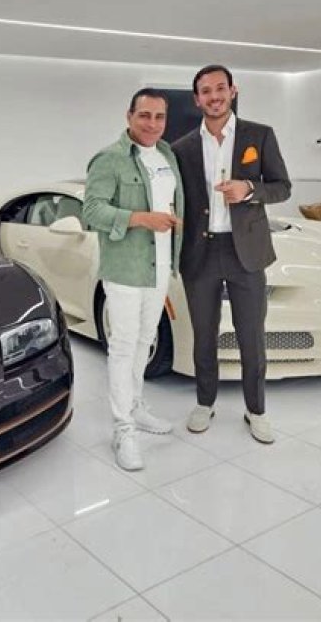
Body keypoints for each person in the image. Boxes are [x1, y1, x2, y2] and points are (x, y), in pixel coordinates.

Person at [172, 65, 291, 444]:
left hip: (247, 253)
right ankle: (204, 402)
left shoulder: (260, 135)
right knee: (204, 334)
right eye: (206, 91)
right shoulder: (181, 148)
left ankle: (256, 410)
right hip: (200, 252)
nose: (214, 97)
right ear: (197, 99)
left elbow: (282, 187)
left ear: (232, 91)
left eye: (220, 88)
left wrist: (249, 189)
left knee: (251, 335)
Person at [82, 88, 184, 471]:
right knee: (123, 346)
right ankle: (123, 428)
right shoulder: (109, 159)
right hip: (125, 268)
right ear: (129, 116)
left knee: (144, 341)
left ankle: (136, 406)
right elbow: (92, 211)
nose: (152, 124)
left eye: (159, 117)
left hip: (159, 267)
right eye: (144, 115)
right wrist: (141, 219)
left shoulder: (167, 155)